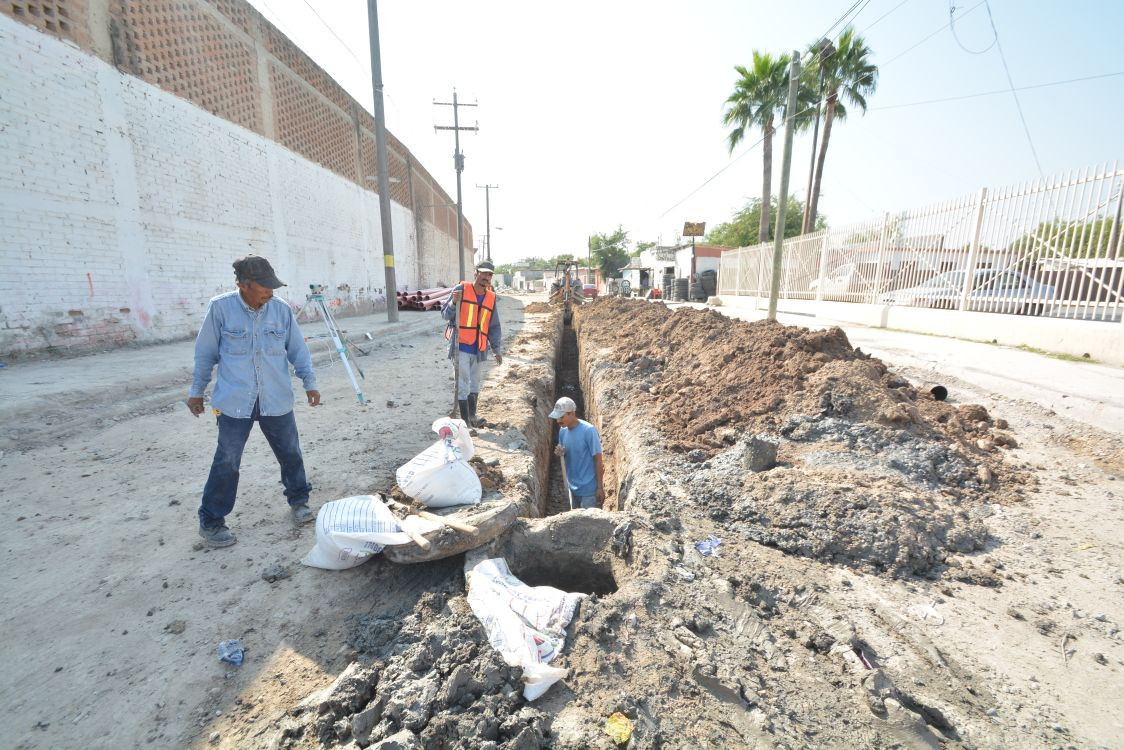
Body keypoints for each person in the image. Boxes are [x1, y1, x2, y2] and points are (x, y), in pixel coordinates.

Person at [187, 255, 321, 548]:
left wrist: (309, 383)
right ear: (244, 285)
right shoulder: (220, 309)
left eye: (272, 287)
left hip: (276, 398)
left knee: (290, 453)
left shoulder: (281, 310)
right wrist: (197, 391)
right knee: (227, 460)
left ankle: (299, 501)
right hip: (235, 401)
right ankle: (211, 521)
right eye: (264, 287)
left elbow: (298, 351)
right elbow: (205, 354)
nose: (270, 292)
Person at [442, 260, 503, 427]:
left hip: (479, 349)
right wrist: (453, 302)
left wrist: (496, 349)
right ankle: (464, 422)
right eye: (483, 273)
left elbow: (494, 326)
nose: (486, 277)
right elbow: (445, 315)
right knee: (462, 384)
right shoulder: (460, 290)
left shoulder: (490, 298)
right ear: (476, 272)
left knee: (475, 383)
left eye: (489, 274)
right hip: (461, 347)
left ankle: (472, 416)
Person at [549, 396, 605, 509]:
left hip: (589, 490)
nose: (558, 421)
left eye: (561, 417)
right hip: (572, 488)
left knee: (588, 524)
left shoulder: (589, 431)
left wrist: (600, 487)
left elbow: (598, 460)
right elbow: (564, 453)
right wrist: (560, 453)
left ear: (571, 413)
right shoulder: (563, 431)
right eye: (557, 417)